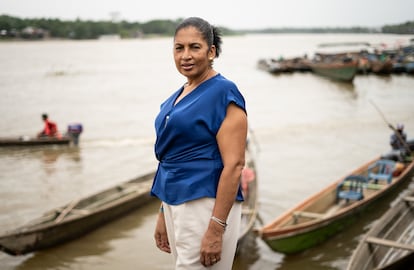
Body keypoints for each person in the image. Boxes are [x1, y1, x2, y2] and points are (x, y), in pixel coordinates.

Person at [151, 17, 248, 269]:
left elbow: (235, 165)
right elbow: (171, 156)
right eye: (179, 48)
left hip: (204, 202)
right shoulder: (180, 93)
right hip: (175, 202)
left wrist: (216, 228)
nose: (186, 55)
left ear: (211, 51)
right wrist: (164, 213)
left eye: (195, 47)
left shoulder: (223, 92)